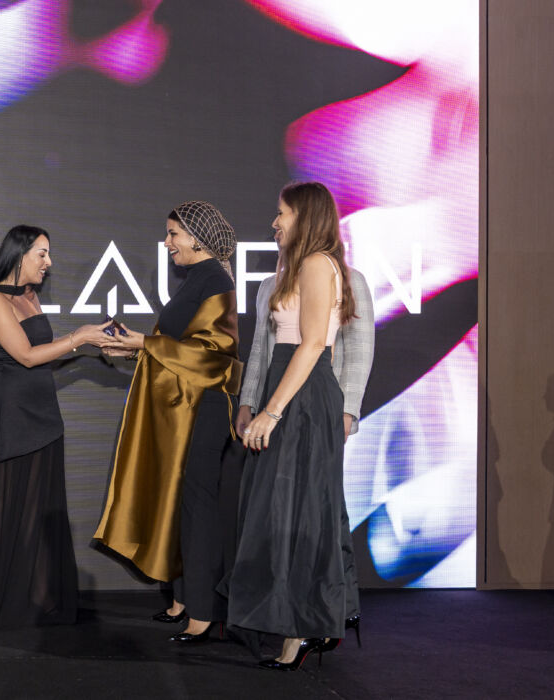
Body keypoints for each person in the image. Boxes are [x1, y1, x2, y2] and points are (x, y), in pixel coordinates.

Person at [95, 201, 242, 643]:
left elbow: (214, 354)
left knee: (197, 506)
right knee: (180, 502)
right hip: (184, 409)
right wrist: (136, 348)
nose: (167, 243)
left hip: (205, 410)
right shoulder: (198, 278)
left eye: (173, 234)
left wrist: (145, 342)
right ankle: (182, 598)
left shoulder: (214, 279)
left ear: (196, 237)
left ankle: (204, 611)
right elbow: (177, 345)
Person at [225, 181, 357, 670]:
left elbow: (314, 344)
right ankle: (297, 624)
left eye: (282, 213)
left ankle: (300, 629)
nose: (275, 222)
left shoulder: (318, 263)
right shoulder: (300, 267)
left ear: (305, 216)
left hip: (301, 397)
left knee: (298, 512)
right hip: (291, 389)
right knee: (283, 511)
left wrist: (273, 410)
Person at [0, 225, 112, 629]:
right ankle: (2, 606)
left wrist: (91, 348)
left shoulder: (29, 295)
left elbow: (43, 356)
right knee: (6, 514)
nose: (48, 262)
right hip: (8, 422)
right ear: (19, 254)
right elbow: (25, 356)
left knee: (37, 516)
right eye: (42, 254)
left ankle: (38, 602)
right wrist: (80, 337)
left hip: (43, 419)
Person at [235, 262, 374, 643]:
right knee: (302, 507)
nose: (276, 230)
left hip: (317, 403)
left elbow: (358, 348)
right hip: (276, 404)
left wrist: (347, 412)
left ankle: (326, 613)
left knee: (318, 506)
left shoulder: (348, 279)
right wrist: (248, 401)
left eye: (283, 223)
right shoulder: (270, 284)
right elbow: (260, 349)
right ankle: (335, 611)